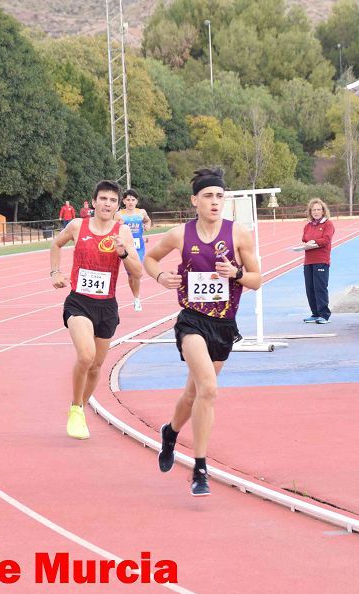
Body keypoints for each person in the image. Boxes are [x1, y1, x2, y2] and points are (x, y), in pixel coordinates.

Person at [144, 168, 263, 496]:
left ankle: (170, 432)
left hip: (223, 325)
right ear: (194, 200)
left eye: (219, 196)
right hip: (192, 321)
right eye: (208, 196)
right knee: (209, 388)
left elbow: (256, 280)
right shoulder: (180, 236)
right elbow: (150, 259)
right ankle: (200, 468)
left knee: (194, 394)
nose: (214, 202)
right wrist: (160, 277)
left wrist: (236, 273)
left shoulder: (238, 234)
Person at [49, 180, 141, 440]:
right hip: (79, 302)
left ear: (117, 205)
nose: (107, 204)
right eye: (103, 199)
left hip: (107, 306)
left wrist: (123, 254)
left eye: (112, 200)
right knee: (86, 355)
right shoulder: (78, 226)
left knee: (96, 365)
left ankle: (79, 407)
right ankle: (77, 408)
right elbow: (56, 245)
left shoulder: (122, 232)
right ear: (94, 201)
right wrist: (55, 271)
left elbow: (138, 272)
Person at [116, 188, 152, 311]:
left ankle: (137, 299)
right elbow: (111, 227)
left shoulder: (141, 212)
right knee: (131, 275)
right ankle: (136, 296)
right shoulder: (119, 215)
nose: (130, 202)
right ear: (124, 201)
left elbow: (148, 220)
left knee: (136, 274)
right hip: (125, 247)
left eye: (133, 200)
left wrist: (147, 226)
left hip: (139, 247)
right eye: (128, 200)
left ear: (136, 201)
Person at [301, 198, 335, 324]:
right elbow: (304, 239)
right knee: (310, 288)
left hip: (321, 260)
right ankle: (315, 313)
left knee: (320, 287)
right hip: (308, 260)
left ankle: (324, 315)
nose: (316, 212)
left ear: (323, 211)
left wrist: (313, 242)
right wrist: (305, 244)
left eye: (318, 209)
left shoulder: (328, 224)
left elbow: (326, 240)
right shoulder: (308, 226)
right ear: (310, 212)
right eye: (313, 210)